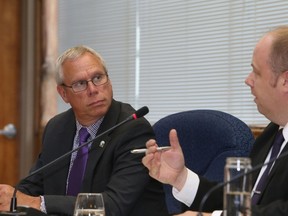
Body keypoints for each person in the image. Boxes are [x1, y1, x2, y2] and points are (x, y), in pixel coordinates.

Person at [0, 45, 168, 216]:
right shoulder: (56, 128)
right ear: (64, 94)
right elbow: (33, 185)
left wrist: (36, 202)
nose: (93, 90)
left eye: (98, 77)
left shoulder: (133, 128)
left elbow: (111, 205)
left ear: (108, 80)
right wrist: (9, 197)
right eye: (80, 83)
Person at [142, 25, 288, 216]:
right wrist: (180, 178)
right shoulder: (272, 134)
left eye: (257, 72)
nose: (248, 80)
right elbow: (239, 204)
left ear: (285, 81)